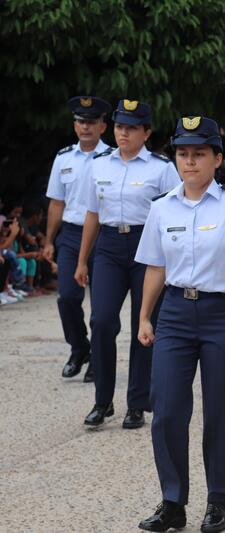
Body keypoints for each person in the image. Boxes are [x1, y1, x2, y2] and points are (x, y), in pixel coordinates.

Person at [134, 116, 225, 533]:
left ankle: (218, 501)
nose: (189, 162)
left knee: (221, 410)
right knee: (168, 410)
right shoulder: (162, 208)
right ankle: (173, 501)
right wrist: (143, 315)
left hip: (222, 315)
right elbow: (156, 266)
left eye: (198, 154)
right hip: (174, 313)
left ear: (216, 158)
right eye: (182, 153)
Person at [75, 99, 181, 429]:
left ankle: (137, 402)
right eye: (120, 126)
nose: (124, 133)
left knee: (143, 324)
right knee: (102, 321)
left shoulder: (162, 168)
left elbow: (175, 213)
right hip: (108, 247)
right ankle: (102, 401)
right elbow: (92, 214)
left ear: (146, 132)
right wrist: (82, 259)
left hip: (146, 248)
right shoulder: (99, 165)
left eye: (132, 128)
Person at [42, 96, 111, 382]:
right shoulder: (64, 158)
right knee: (67, 297)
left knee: (102, 307)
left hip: (104, 235)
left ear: (103, 126)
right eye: (81, 122)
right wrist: (49, 240)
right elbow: (57, 202)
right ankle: (79, 347)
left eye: (92, 122)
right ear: (75, 125)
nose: (86, 127)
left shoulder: (113, 159)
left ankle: (98, 356)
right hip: (70, 234)